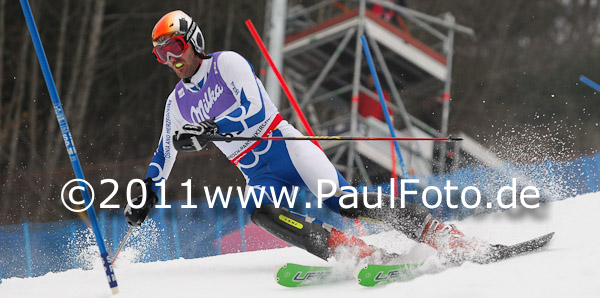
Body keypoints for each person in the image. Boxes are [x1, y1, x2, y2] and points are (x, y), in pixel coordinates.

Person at [124, 10, 494, 264]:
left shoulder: (227, 64)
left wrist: (211, 129)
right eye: (161, 54)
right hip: (258, 173)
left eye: (174, 47)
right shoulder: (176, 104)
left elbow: (253, 111)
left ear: (192, 41)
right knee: (261, 213)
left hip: (286, 147)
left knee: (345, 203)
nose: (170, 59)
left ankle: (439, 233)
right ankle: (351, 251)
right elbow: (163, 154)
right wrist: (147, 191)